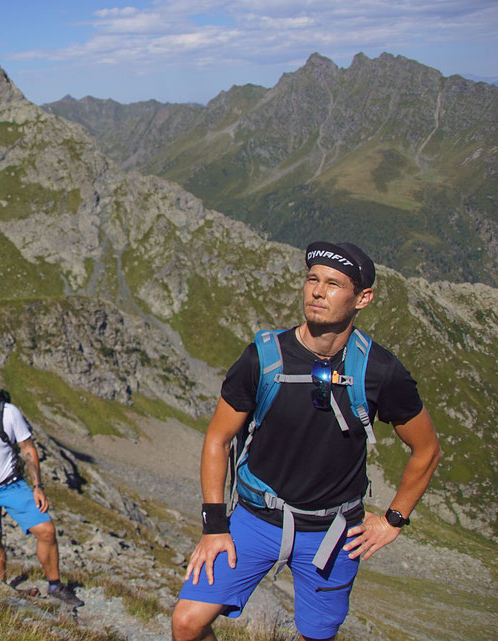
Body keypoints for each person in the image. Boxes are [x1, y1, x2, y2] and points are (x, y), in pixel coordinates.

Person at [172, 241, 441, 641]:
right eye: (312, 279)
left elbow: (428, 449)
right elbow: (217, 439)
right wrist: (214, 526)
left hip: (333, 533)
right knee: (187, 622)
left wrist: (393, 520)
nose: (317, 291)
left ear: (362, 298)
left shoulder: (381, 371)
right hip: (255, 518)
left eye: (333, 283)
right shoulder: (262, 358)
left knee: (316, 636)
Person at [0, 366, 83, 607]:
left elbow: (28, 448)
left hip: (12, 486)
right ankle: (0, 589)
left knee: (46, 531)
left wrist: (38, 486)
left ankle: (55, 585)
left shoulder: (9, 413)